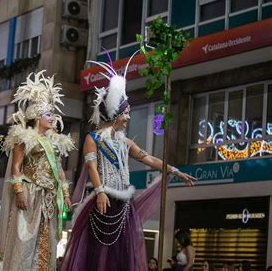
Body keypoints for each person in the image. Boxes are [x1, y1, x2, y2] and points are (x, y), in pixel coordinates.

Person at [61, 62, 196, 271]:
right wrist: (99, 192)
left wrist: (173, 170)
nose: (129, 117)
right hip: (104, 201)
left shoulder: (126, 143)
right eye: (126, 112)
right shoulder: (93, 138)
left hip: (124, 205)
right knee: (100, 253)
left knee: (122, 255)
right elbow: (92, 167)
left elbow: (149, 159)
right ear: (115, 114)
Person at [0, 71, 75, 270]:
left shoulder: (54, 141)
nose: (53, 118)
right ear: (37, 117)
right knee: (25, 241)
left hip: (49, 198)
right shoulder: (23, 137)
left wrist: (65, 194)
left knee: (46, 243)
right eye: (49, 114)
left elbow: (59, 169)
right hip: (30, 194)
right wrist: (19, 191)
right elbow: (16, 166)